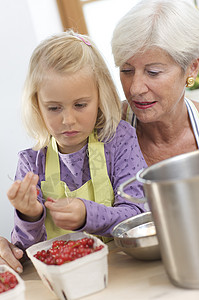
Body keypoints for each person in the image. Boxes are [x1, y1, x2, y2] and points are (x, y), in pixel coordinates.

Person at [0, 30, 147, 272]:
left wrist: (88, 215)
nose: (68, 119)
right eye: (54, 108)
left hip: (125, 271)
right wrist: (29, 216)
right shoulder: (31, 162)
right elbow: (26, 252)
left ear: (100, 96)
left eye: (80, 105)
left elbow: (139, 215)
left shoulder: (119, 140)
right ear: (37, 105)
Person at [111, 0, 199, 166]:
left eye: (153, 72)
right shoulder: (103, 132)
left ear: (192, 68)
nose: (135, 89)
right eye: (126, 71)